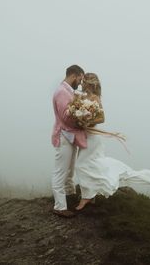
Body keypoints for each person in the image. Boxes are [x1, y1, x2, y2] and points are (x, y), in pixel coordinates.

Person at [75, 73, 150, 210]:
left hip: (93, 137)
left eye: (83, 81)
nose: (81, 83)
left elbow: (101, 118)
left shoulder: (94, 98)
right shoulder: (82, 97)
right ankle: (89, 196)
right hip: (85, 136)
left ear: (89, 83)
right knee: (87, 165)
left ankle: (87, 197)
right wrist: (79, 118)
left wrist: (86, 120)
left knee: (81, 165)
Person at [51, 64, 86, 218]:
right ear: (73, 75)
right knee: (61, 172)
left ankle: (70, 195)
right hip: (64, 136)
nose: (80, 82)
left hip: (70, 136)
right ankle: (59, 206)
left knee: (70, 170)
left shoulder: (68, 91)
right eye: (80, 78)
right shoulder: (61, 92)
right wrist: (83, 119)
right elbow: (66, 116)